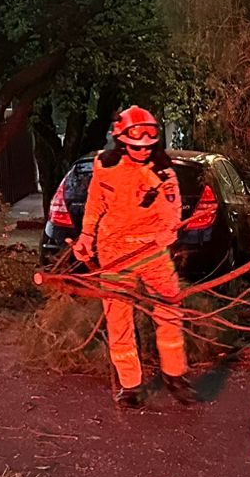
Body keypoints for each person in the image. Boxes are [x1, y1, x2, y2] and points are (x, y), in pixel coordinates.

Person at [71, 106, 197, 408]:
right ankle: (130, 385)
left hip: (153, 255)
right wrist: (86, 237)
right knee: (119, 320)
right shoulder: (106, 166)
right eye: (136, 146)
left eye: (148, 146)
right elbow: (95, 203)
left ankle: (174, 376)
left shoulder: (164, 173)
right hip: (114, 254)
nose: (142, 151)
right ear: (122, 142)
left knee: (169, 313)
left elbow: (171, 213)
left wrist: (166, 235)